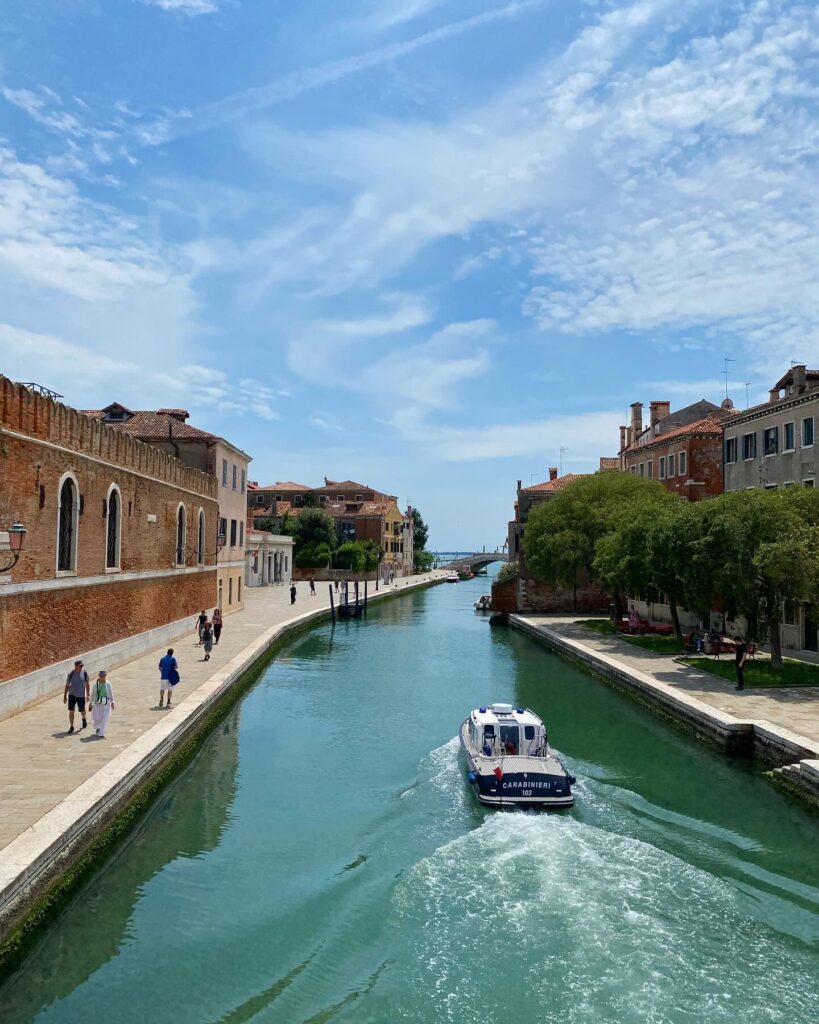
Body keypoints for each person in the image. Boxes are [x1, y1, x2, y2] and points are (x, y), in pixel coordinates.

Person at [63, 659, 90, 733]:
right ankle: (71, 726)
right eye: (79, 666)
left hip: (81, 696)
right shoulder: (71, 674)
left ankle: (84, 718)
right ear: (75, 666)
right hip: (72, 695)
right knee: (71, 711)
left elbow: (87, 684)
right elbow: (67, 685)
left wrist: (88, 695)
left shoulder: (84, 673)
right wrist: (65, 695)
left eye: (81, 666)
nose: (81, 667)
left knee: (82, 710)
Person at [90, 670, 115, 738]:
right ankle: (98, 727)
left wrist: (113, 702)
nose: (102, 677)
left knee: (104, 718)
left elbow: (110, 693)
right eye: (101, 676)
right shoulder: (96, 685)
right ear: (99, 676)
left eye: (103, 676)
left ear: (105, 676)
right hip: (97, 703)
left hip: (106, 704)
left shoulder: (108, 684)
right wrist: (90, 703)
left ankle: (102, 732)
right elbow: (93, 694)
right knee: (97, 718)